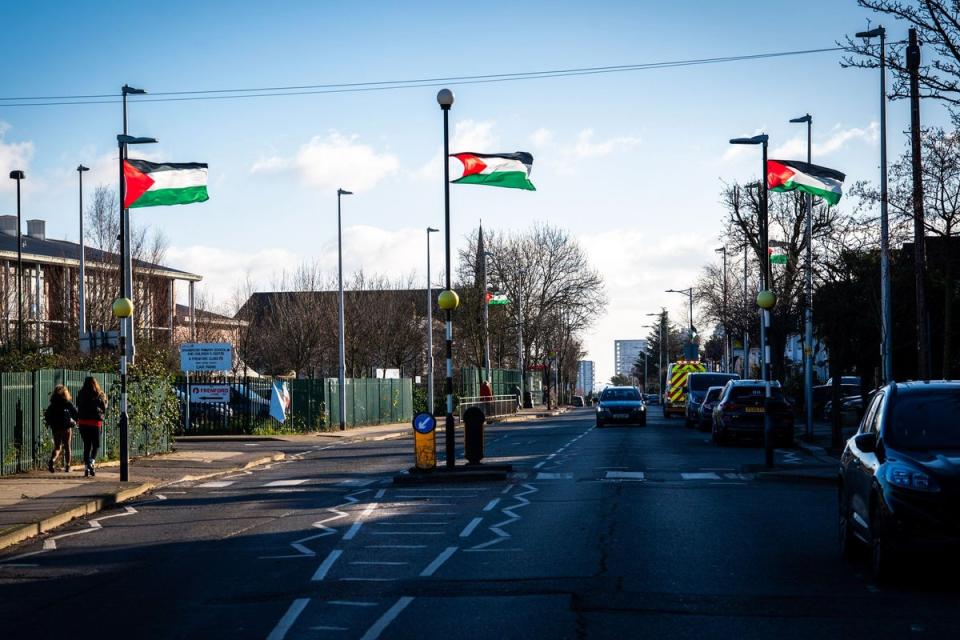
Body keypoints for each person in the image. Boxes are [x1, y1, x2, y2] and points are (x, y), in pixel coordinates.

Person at [76, 377, 108, 477]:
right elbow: (103, 407)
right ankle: (91, 462)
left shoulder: (80, 394)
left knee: (87, 445)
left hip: (83, 422)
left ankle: (86, 468)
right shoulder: (99, 394)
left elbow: (78, 406)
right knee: (96, 445)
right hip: (95, 423)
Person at [45, 385, 78, 473]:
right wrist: (74, 421)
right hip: (66, 426)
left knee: (57, 447)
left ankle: (52, 460)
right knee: (67, 446)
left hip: (56, 427)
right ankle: (67, 466)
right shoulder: (67, 402)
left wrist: (49, 423)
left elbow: (47, 414)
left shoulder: (53, 403)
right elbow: (75, 412)